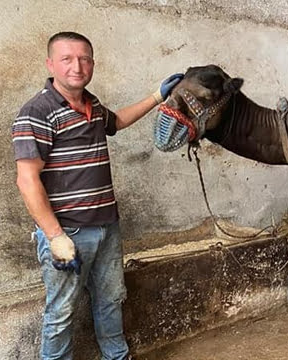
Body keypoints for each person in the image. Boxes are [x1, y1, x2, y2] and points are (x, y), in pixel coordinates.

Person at [12, 31, 183, 360]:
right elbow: (27, 179)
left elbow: (116, 121)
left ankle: (116, 357)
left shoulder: (91, 104)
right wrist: (55, 236)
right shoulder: (37, 111)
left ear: (92, 63)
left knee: (111, 300)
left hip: (107, 227)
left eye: (84, 59)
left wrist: (156, 97)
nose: (77, 66)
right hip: (69, 232)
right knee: (61, 313)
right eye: (67, 59)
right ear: (50, 64)